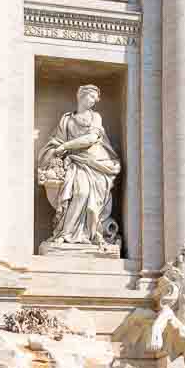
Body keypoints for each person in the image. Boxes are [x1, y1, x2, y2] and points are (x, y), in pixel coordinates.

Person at [37, 85, 121, 247]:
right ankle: (65, 234)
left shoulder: (95, 117)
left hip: (95, 163)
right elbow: (57, 141)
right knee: (79, 192)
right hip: (74, 162)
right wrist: (57, 150)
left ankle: (85, 234)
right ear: (81, 96)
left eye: (96, 98)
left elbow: (91, 138)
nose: (94, 101)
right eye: (91, 97)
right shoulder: (67, 119)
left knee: (83, 194)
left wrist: (65, 146)